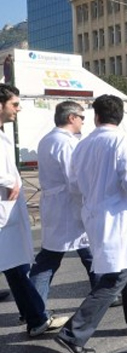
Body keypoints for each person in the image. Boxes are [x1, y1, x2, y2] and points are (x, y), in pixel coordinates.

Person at [57, 95, 127, 353]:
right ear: (121, 116)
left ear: (96, 116)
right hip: (118, 214)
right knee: (116, 275)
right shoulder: (122, 141)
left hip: (94, 212)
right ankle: (73, 332)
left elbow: (73, 184)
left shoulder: (83, 144)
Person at [0, 84, 67, 337]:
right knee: (15, 266)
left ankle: (35, 317)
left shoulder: (4, 133)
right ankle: (37, 317)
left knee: (16, 267)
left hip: (9, 213)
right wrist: (8, 182)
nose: (18, 109)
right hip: (4, 212)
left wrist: (13, 183)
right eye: (14, 104)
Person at [29, 102, 103, 315]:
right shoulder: (66, 143)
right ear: (71, 118)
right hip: (69, 206)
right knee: (55, 258)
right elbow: (75, 180)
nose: (83, 122)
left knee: (80, 253)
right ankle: (33, 307)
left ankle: (32, 306)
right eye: (81, 117)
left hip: (56, 205)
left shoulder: (47, 139)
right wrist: (89, 203)